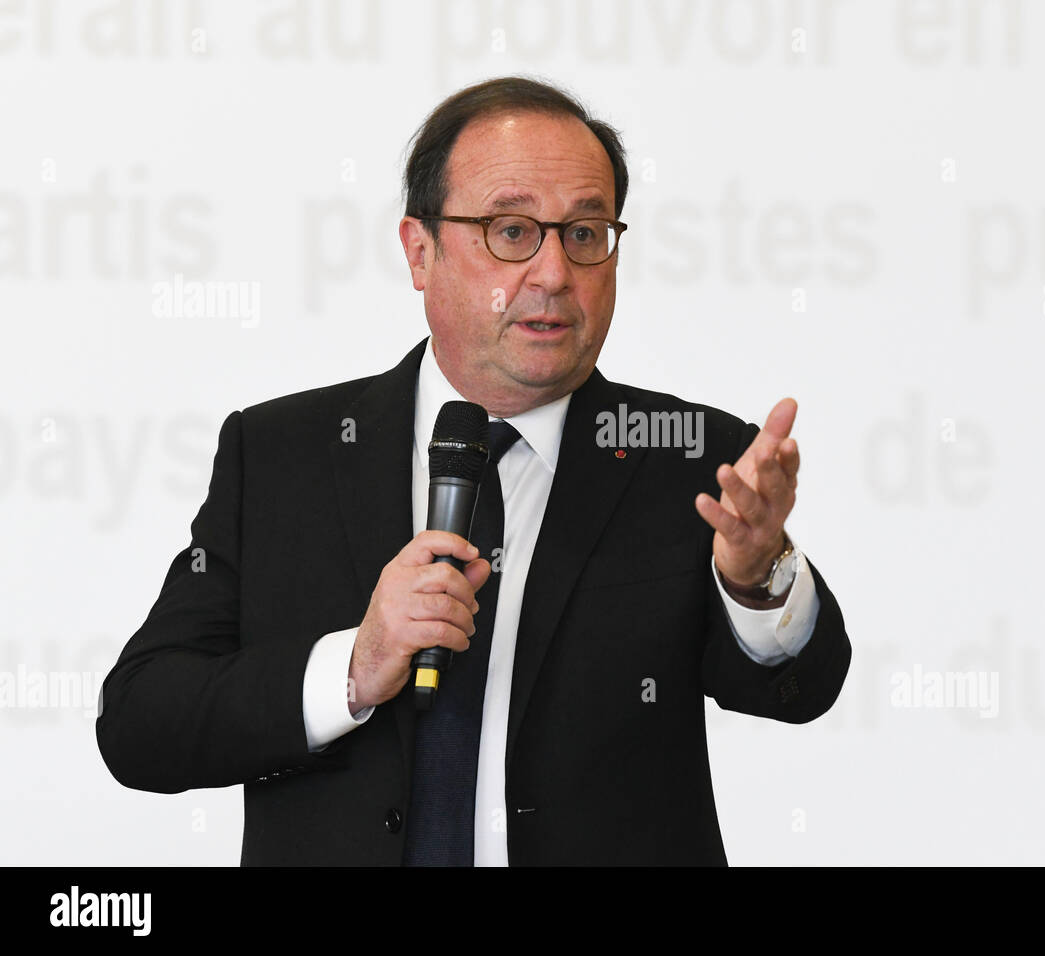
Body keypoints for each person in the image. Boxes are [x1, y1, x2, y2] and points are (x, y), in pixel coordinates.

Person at [96, 76, 852, 865]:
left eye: (586, 233)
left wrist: (758, 575)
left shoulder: (690, 454)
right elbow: (142, 725)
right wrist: (355, 666)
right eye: (512, 230)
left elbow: (805, 689)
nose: (556, 273)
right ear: (419, 251)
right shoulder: (281, 452)